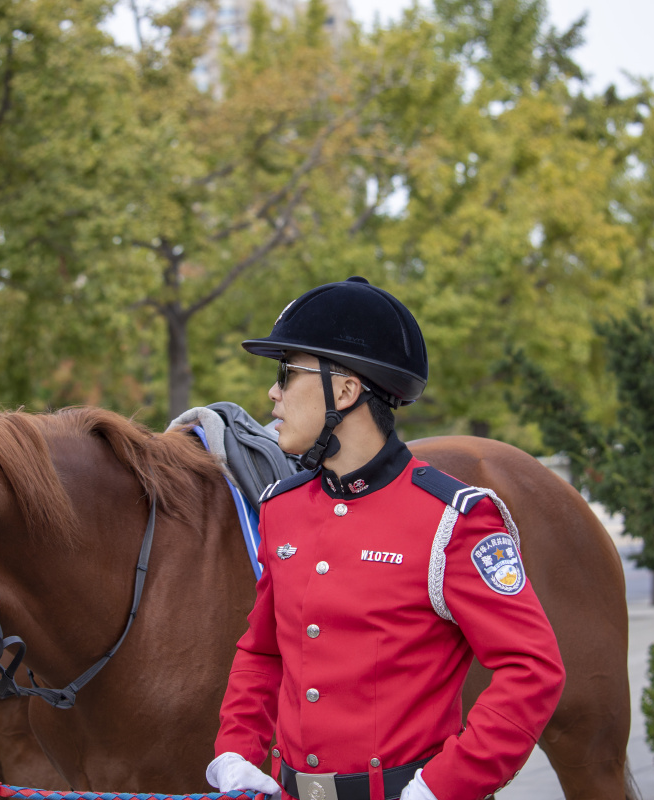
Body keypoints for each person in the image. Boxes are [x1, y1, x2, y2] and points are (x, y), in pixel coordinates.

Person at [205, 277, 566, 800]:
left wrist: (444, 786)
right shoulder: (282, 508)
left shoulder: (454, 520)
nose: (273, 393)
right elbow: (264, 652)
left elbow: (532, 670)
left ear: (345, 391)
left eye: (288, 373)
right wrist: (237, 751)